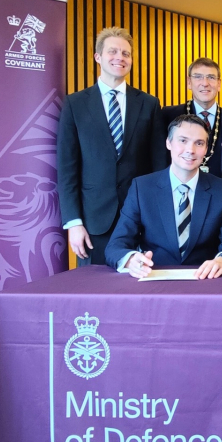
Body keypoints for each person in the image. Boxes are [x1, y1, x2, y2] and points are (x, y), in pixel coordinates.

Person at [57, 27, 166, 266]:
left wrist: (160, 216)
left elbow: (159, 164)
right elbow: (67, 170)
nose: (120, 57)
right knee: (95, 292)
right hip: (94, 222)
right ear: (98, 57)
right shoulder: (75, 104)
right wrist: (73, 223)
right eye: (113, 51)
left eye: (126, 54)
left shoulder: (148, 104)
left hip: (142, 219)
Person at [105, 114, 222, 279]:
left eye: (199, 143)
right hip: (153, 278)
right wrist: (131, 260)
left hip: (204, 279)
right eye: (183, 141)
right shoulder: (142, 188)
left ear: (206, 149)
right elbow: (115, 246)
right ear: (168, 143)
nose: (190, 150)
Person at [163, 58, 222, 210]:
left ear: (219, 84)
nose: (205, 82)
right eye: (198, 77)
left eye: (211, 77)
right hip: (178, 202)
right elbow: (161, 161)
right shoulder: (167, 116)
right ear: (189, 82)